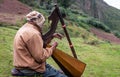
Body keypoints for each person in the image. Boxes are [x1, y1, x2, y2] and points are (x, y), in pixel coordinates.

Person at [11, 11, 67, 77]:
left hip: (23, 62)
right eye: (42, 23)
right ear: (38, 22)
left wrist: (51, 37)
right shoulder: (34, 34)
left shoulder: (26, 28)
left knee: (59, 72)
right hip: (30, 68)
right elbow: (41, 57)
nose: (43, 25)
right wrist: (52, 48)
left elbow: (39, 44)